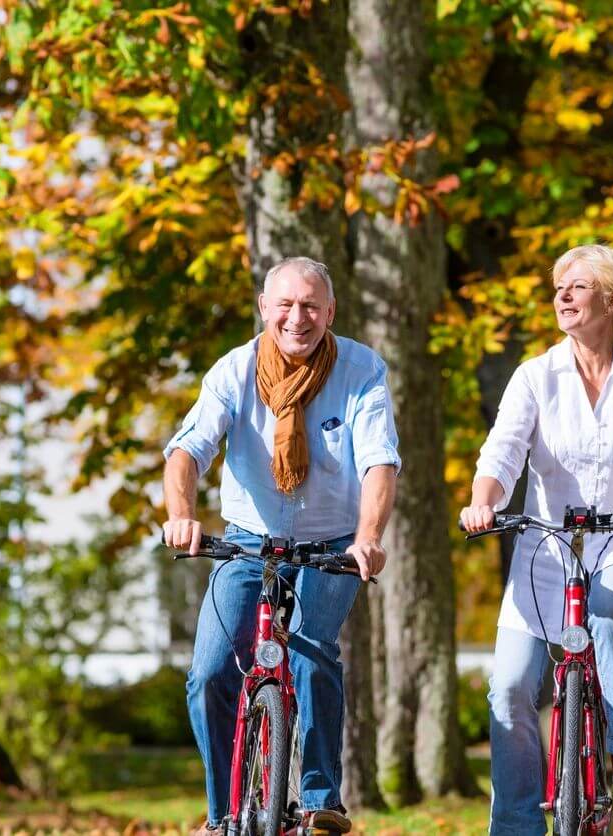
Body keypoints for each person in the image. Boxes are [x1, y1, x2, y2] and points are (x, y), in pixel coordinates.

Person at [459, 244, 613, 834]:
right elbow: (504, 450)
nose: (562, 296)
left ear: (612, 300)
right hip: (546, 547)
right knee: (510, 687)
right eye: (559, 286)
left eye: (577, 286)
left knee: (609, 605)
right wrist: (483, 500)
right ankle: (515, 824)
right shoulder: (535, 376)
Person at [162, 256, 400, 836]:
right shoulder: (234, 372)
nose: (299, 317)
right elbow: (187, 451)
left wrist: (367, 539)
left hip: (331, 540)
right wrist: (181, 516)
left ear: (330, 312)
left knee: (312, 650)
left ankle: (321, 801)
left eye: (312, 306)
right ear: (264, 309)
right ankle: (221, 815)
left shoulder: (361, 368)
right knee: (211, 672)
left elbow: (378, 462)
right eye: (286, 305)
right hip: (250, 539)